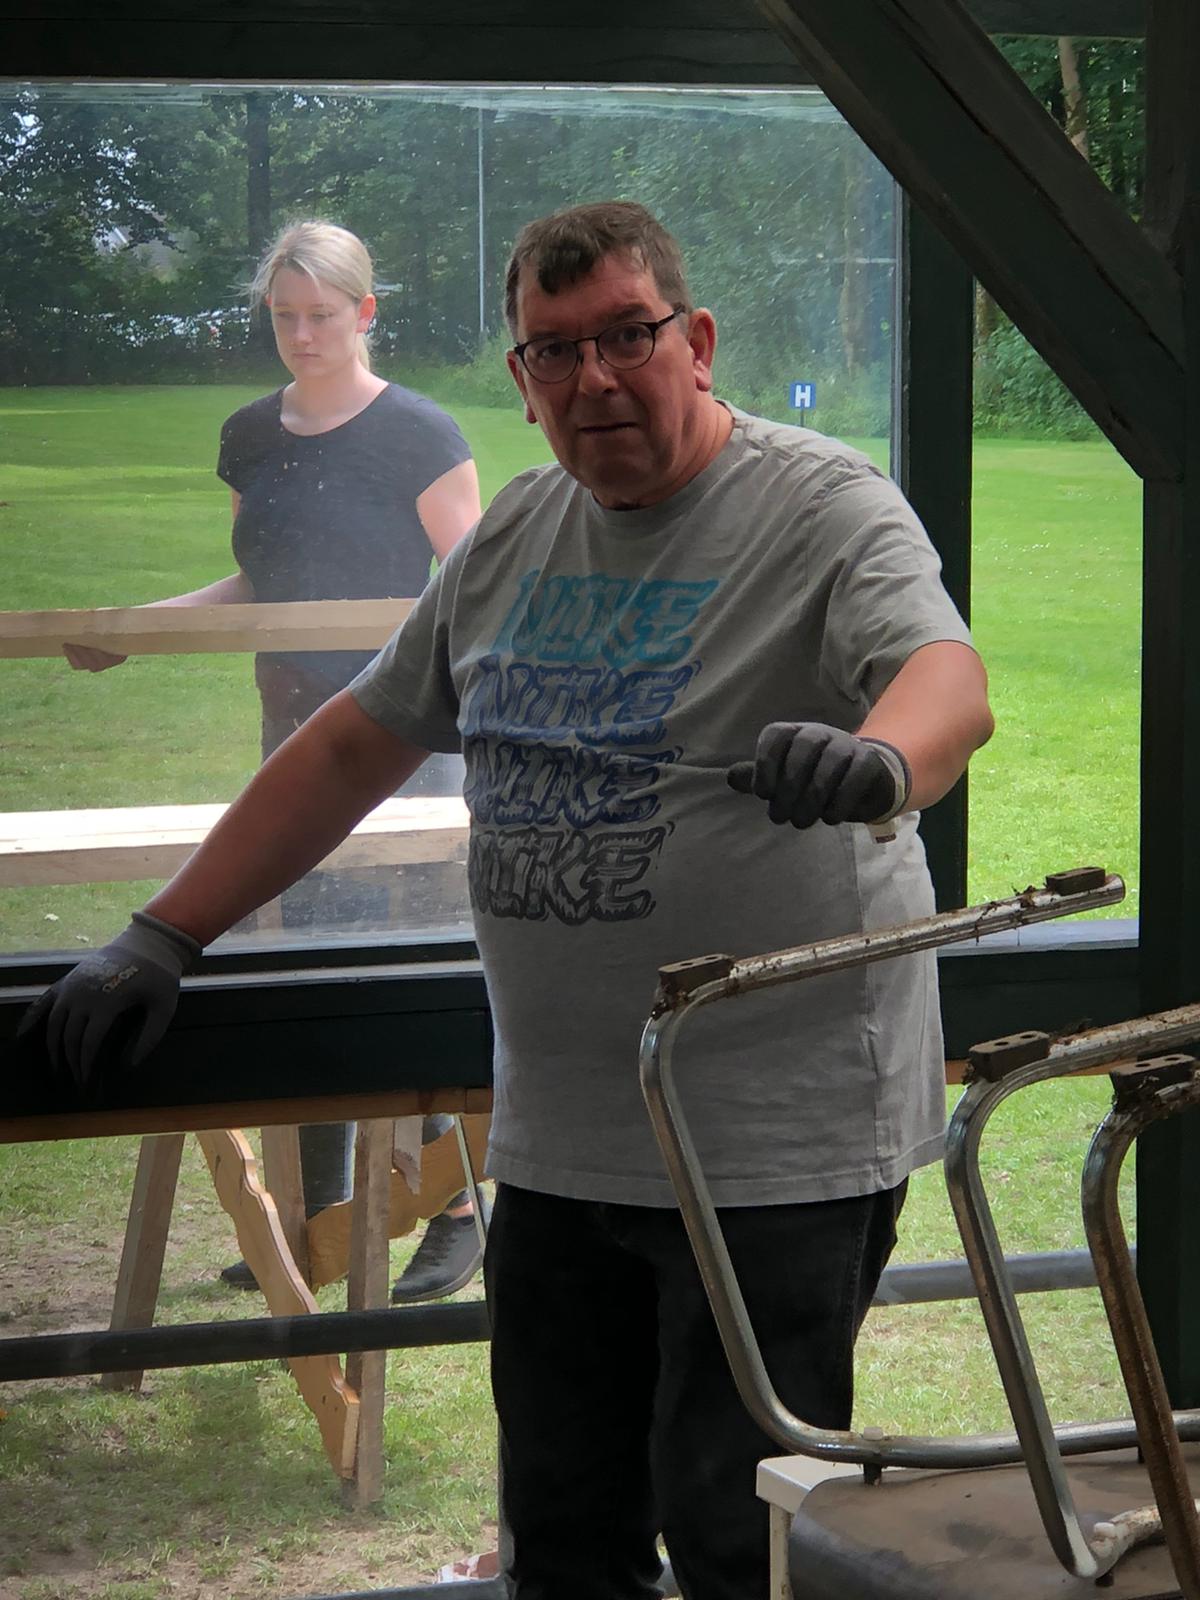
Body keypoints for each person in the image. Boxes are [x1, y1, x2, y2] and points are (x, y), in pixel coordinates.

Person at [25, 201, 993, 1599]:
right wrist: (164, 931)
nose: (594, 378)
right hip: (561, 1139)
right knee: (564, 1535)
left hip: (774, 1144)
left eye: (626, 337)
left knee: (739, 1536)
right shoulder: (517, 535)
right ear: (522, 377)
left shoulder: (822, 505)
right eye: (555, 351)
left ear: (697, 341)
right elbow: (353, 746)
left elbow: (945, 678)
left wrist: (883, 759)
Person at [61, 219, 486, 1305]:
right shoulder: (250, 434)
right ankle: (313, 1217)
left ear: (365, 312)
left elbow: (470, 589)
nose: (302, 335)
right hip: (292, 730)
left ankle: (454, 1208)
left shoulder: (420, 432)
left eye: (323, 315)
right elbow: (263, 583)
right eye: (285, 316)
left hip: (403, 740)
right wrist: (135, 629)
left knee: (395, 963)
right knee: (299, 956)